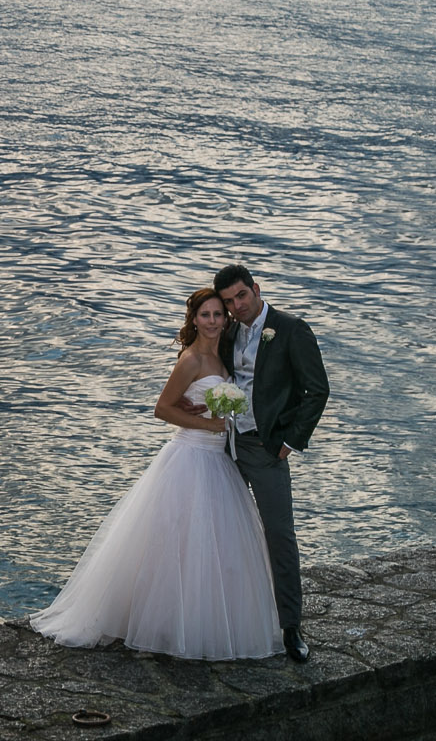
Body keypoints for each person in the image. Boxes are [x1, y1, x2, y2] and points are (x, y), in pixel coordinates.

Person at [29, 288, 282, 660]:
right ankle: (160, 626)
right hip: (189, 458)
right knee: (176, 546)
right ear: (193, 319)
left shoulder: (224, 353)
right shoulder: (192, 360)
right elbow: (162, 409)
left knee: (215, 550)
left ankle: (203, 625)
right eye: (206, 315)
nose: (213, 321)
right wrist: (211, 427)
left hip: (218, 463)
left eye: (218, 314)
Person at [206, 264, 329, 664]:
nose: (236, 306)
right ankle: (224, 619)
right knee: (220, 532)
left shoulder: (291, 329)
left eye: (241, 296)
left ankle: (291, 626)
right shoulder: (226, 331)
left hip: (266, 449)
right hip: (224, 447)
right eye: (228, 301)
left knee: (279, 536)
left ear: (256, 289)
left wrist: (289, 443)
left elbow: (317, 390)